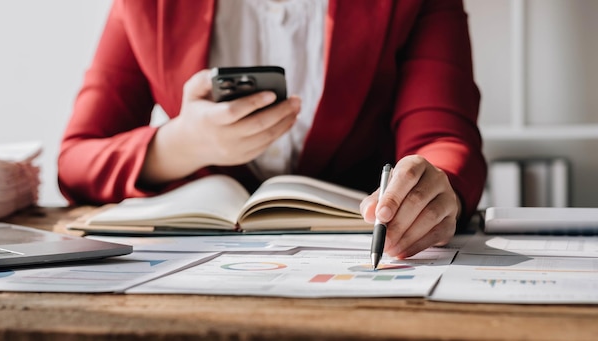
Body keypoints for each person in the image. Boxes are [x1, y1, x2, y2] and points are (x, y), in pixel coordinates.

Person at [58, 0, 486, 259]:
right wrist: (182, 144)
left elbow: (442, 135)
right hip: (199, 263)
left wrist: (435, 187)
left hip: (361, 247)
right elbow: (77, 158)